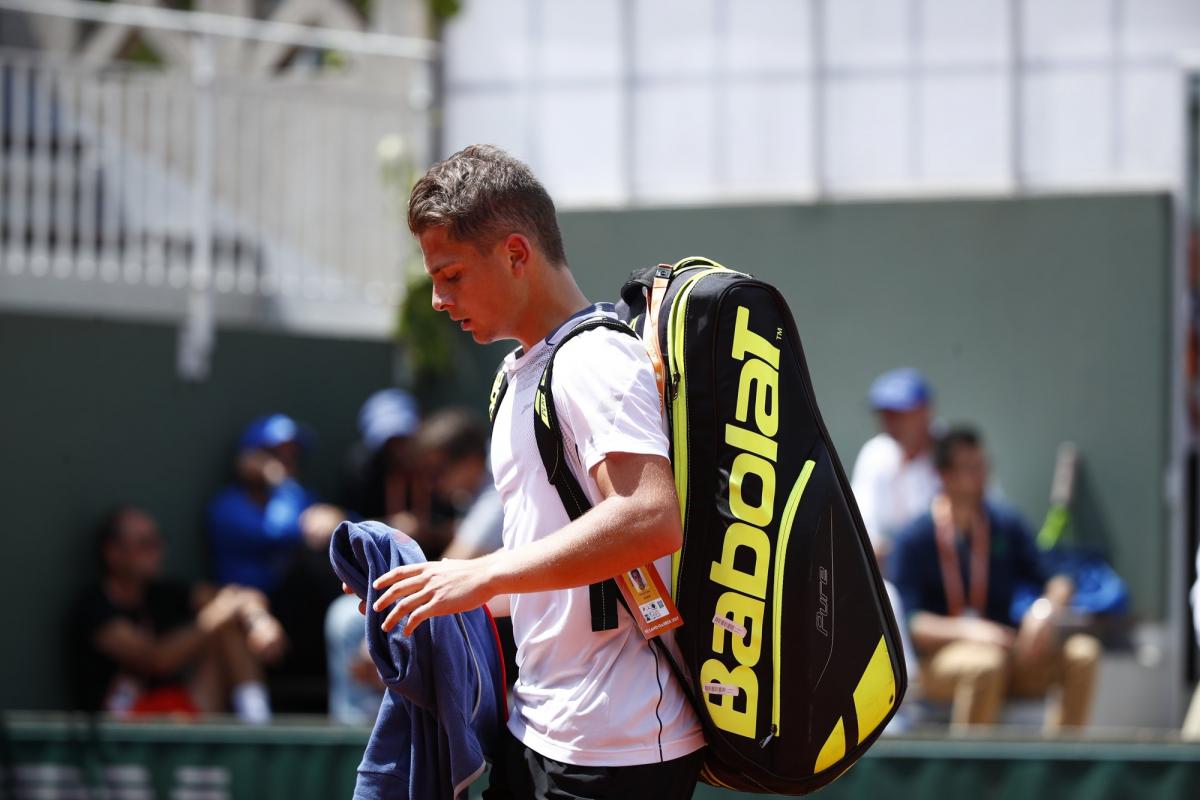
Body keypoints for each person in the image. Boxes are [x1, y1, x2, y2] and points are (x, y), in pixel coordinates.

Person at [368, 144, 705, 799]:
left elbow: (649, 517)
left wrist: (479, 572)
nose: (439, 299)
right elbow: (553, 573)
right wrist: (425, 598)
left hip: (618, 748)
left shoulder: (594, 361)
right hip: (542, 731)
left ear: (516, 255)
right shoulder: (521, 372)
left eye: (452, 275)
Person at [889, 426, 1101, 732]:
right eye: (969, 468)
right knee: (985, 664)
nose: (981, 475)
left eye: (983, 466)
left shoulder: (1003, 523)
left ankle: (1059, 765)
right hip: (940, 661)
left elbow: (1059, 576)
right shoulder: (915, 538)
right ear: (943, 475)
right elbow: (910, 621)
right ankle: (971, 774)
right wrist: (971, 631)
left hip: (1008, 648)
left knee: (1083, 654)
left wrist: (1044, 612)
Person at [71, 506, 285, 722]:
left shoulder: (161, 592)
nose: (157, 550)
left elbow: (239, 596)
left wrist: (259, 621)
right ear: (113, 553)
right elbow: (155, 660)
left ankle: (258, 722)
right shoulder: (94, 607)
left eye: (158, 541)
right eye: (145, 544)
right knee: (221, 619)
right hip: (123, 731)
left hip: (177, 711)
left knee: (227, 627)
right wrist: (215, 616)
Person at [850, 367, 941, 565]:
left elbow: (985, 520)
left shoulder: (954, 451)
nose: (890, 422)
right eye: (885, 414)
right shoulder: (875, 453)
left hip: (954, 573)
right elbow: (862, 532)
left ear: (925, 411)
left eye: (899, 413)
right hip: (893, 571)